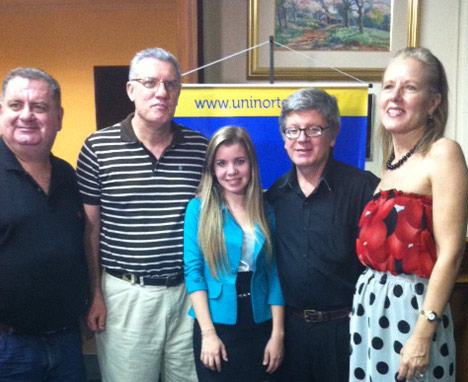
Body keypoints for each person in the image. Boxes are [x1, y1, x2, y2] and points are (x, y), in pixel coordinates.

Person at [76, 48, 208, 382]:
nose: (161, 92)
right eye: (149, 82)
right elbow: (91, 232)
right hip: (126, 296)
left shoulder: (200, 149)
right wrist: (95, 295)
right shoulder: (97, 148)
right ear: (130, 89)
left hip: (188, 297)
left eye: (170, 84)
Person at [349, 47, 468, 382]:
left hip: (413, 313)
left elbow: (451, 252)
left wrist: (421, 333)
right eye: (389, 86)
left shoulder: (442, 153)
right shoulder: (389, 167)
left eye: (409, 88)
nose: (395, 96)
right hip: (372, 315)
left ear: (434, 102)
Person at [266, 88, 379, 382]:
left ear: (333, 135)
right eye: (292, 130)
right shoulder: (274, 195)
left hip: (347, 332)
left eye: (313, 129)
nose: (301, 139)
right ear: (283, 138)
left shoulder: (364, 189)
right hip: (289, 336)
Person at [0, 67, 89, 381]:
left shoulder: (68, 174)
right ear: (1, 112)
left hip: (66, 340)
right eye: (15, 105)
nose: (27, 115)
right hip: (9, 347)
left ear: (59, 117)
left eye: (39, 107)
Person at [183, 126, 284, 381]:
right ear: (212, 169)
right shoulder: (199, 209)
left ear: (251, 163)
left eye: (239, 161)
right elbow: (193, 273)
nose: (231, 171)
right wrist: (208, 334)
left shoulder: (266, 210)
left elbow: (274, 274)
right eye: (221, 163)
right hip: (217, 326)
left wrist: (277, 335)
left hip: (261, 324)